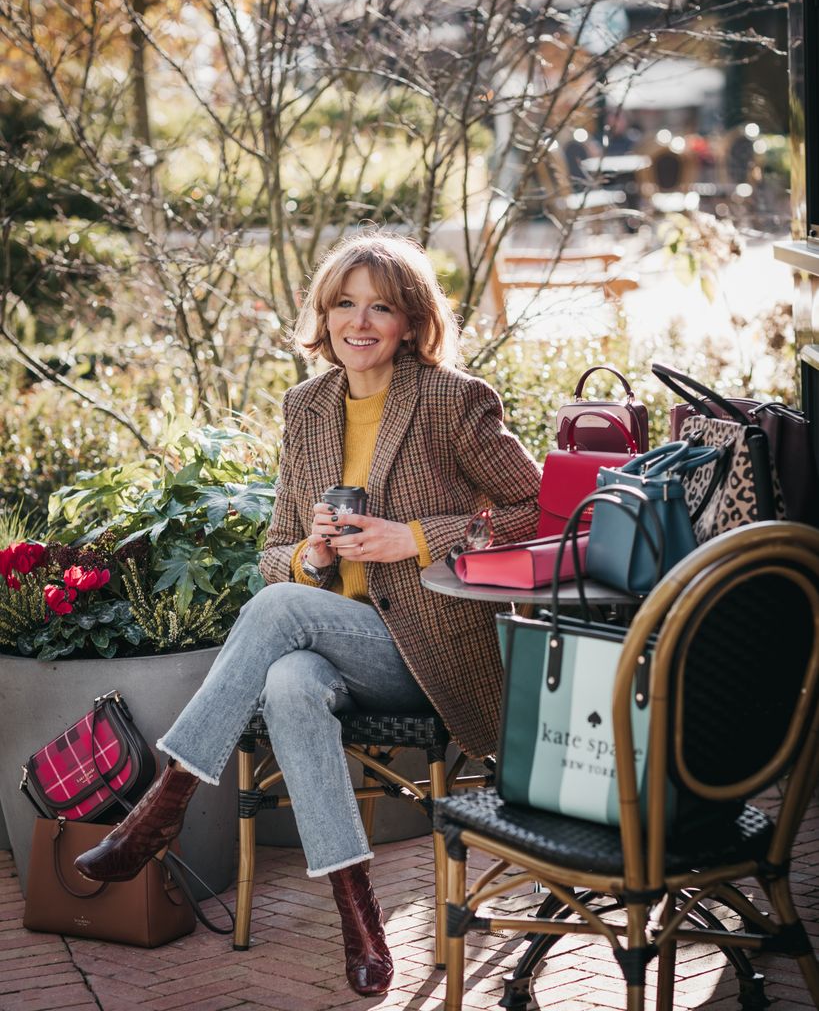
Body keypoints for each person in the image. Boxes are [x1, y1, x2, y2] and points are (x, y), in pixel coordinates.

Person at [74, 232, 542, 996]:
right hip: (330, 642)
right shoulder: (308, 407)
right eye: (343, 305)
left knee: (281, 614)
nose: (359, 322)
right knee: (289, 679)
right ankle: (360, 918)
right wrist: (311, 559)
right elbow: (275, 553)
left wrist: (417, 538)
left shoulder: (453, 400)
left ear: (409, 320)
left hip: (427, 651)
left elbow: (539, 510)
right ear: (322, 319)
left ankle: (164, 804)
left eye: (380, 307)